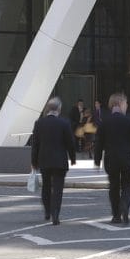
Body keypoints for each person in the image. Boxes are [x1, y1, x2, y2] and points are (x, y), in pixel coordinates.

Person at [93, 93, 130, 225]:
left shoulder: (105, 122)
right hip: (127, 159)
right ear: (120, 103)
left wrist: (97, 161)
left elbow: (98, 144)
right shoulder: (129, 121)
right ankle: (125, 205)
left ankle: (116, 216)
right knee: (127, 185)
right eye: (126, 103)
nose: (127, 106)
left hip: (111, 160)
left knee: (114, 187)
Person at [30, 96, 77, 225]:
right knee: (58, 188)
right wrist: (72, 158)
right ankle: (55, 214)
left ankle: (47, 211)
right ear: (59, 109)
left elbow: (35, 145)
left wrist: (34, 162)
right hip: (60, 161)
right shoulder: (64, 123)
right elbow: (70, 143)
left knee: (46, 186)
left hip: (44, 160)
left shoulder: (39, 123)